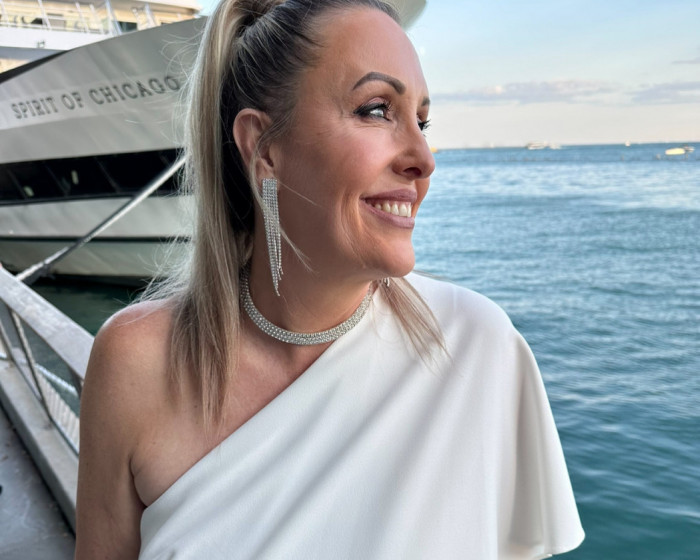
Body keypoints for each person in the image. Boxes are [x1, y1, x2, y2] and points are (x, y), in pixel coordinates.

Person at [75, 0, 585, 558]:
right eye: (376, 110)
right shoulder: (136, 364)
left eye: (422, 121)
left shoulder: (478, 347)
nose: (423, 158)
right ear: (264, 147)